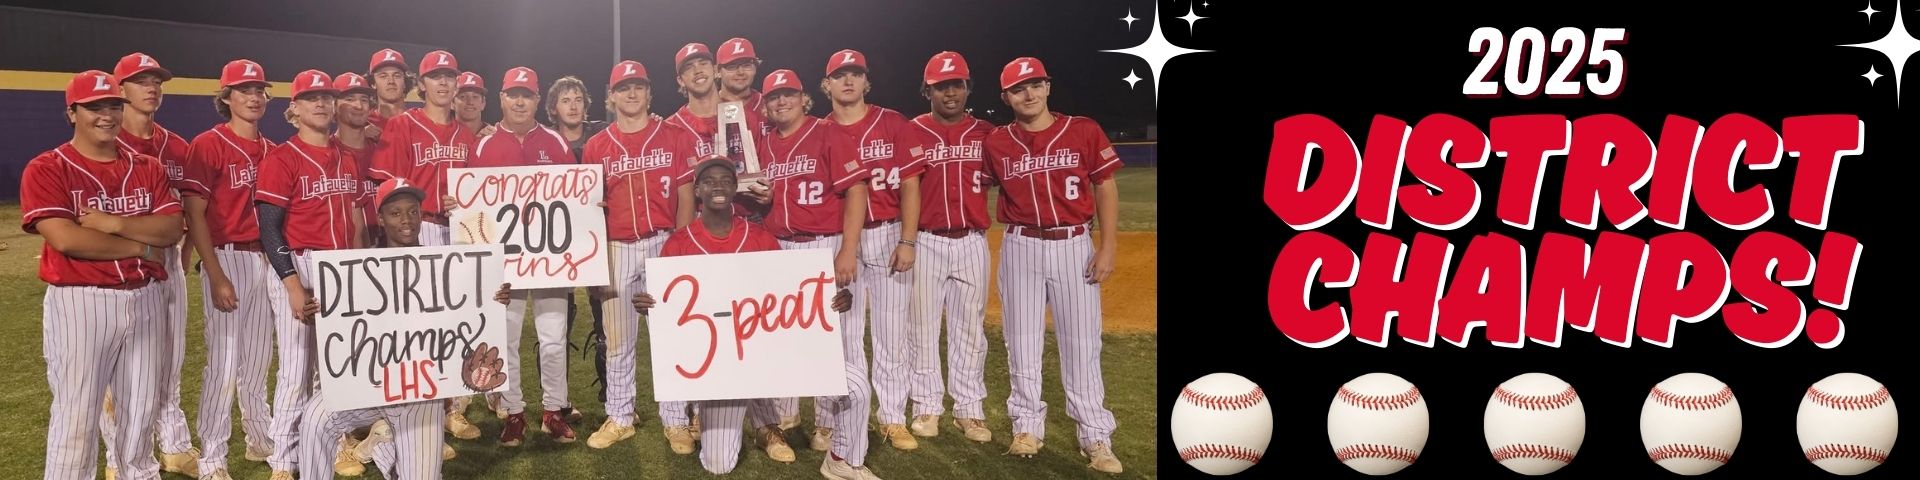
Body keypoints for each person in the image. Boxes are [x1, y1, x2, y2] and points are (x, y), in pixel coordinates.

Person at [632, 156, 851, 474]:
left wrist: (831, 299)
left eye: (725, 180)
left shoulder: (760, 237)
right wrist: (650, 306)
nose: (718, 186)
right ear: (697, 190)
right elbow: (671, 314)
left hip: (753, 351)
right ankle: (704, 414)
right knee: (718, 464)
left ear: (736, 188)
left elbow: (789, 293)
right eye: (709, 181)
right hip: (711, 361)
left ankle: (767, 426)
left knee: (753, 349)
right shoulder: (678, 243)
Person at [22, 69, 184, 480]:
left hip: (146, 297)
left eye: (113, 105)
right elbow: (66, 239)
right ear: (72, 112)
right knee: (77, 416)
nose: (107, 115)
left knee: (140, 412)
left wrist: (113, 224)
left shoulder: (147, 166)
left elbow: (171, 229)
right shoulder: (48, 167)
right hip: (82, 301)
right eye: (95, 107)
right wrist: (141, 246)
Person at [984, 57, 1124, 473]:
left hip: (1073, 245)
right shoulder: (997, 142)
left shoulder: (1083, 129)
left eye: (1035, 84)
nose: (1028, 94)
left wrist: (1108, 246)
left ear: (1048, 86)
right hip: (1020, 246)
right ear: (1006, 97)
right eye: (1018, 88)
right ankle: (1026, 426)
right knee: (1021, 341)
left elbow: (1105, 185)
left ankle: (1095, 434)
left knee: (1082, 343)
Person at [296, 178, 484, 480]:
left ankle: (383, 446)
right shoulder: (357, 268)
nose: (406, 220)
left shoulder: (443, 266)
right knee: (315, 418)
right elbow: (343, 325)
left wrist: (493, 297)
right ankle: (382, 442)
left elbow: (472, 314)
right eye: (395, 213)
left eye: (413, 211)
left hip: (420, 393)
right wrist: (318, 314)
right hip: (368, 386)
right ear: (381, 219)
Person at [746, 68, 878, 479]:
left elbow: (856, 190)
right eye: (774, 96)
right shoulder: (764, 143)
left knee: (839, 340)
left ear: (803, 97)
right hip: (780, 246)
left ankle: (830, 424)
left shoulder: (828, 132)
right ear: (766, 105)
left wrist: (848, 249)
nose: (781, 101)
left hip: (824, 244)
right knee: (782, 336)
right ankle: (785, 418)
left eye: (789, 93)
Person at [578, 59, 698, 451]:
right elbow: (589, 210)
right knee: (617, 342)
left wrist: (679, 246)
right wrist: (594, 263)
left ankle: (676, 420)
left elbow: (685, 196)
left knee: (672, 337)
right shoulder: (597, 146)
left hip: (663, 241)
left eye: (638, 86)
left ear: (648, 92)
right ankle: (619, 416)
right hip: (616, 247)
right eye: (623, 87)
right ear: (611, 97)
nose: (631, 93)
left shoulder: (674, 136)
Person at [255, 69, 363, 480]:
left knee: (334, 366)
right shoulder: (281, 158)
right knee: (296, 369)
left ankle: (334, 444)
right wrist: (292, 284)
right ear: (294, 109)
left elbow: (355, 219)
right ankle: (283, 458)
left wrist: (358, 268)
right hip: (298, 262)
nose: (321, 103)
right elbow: (269, 229)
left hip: (340, 266)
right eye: (311, 97)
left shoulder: (346, 157)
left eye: (327, 97)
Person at [97, 52, 200, 479]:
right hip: (120, 265)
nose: (151, 88)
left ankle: (173, 445)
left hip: (169, 260)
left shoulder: (176, 145)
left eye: (156, 81)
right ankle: (117, 458)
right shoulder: (105, 143)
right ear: (120, 90)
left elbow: (191, 208)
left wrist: (186, 252)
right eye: (141, 81)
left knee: (170, 359)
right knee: (119, 369)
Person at [819, 48, 926, 451]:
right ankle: (841, 417)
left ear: (866, 81)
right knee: (843, 334)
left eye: (855, 73)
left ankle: (893, 417)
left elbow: (911, 184)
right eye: (839, 75)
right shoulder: (819, 130)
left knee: (891, 332)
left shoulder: (893, 123)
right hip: (840, 238)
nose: (848, 80)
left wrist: (907, 240)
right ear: (826, 85)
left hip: (886, 232)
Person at [468, 66, 581, 445]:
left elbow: (576, 196)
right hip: (504, 261)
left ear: (537, 99)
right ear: (502, 98)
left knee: (554, 338)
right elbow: (473, 205)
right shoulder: (484, 146)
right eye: (513, 94)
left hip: (550, 258)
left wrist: (591, 205)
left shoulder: (555, 142)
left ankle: (553, 410)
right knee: (506, 338)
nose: (519, 102)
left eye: (527, 95)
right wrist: (459, 203)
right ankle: (513, 412)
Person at [179, 58, 279, 480]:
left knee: (257, 359)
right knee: (222, 363)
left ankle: (259, 438)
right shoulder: (209, 144)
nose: (254, 97)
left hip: (266, 258)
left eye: (259, 90)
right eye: (244, 90)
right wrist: (215, 272)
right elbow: (194, 212)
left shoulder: (273, 149)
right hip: (228, 255)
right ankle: (213, 455)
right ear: (226, 98)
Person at [903, 51, 995, 444]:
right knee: (922, 326)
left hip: (972, 241)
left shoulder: (986, 133)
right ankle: (926, 404)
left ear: (967, 88)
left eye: (956, 84)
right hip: (925, 240)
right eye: (941, 86)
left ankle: (969, 409)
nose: (950, 93)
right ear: (928, 91)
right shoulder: (911, 131)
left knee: (970, 328)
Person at [543, 75, 614, 406]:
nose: (572, 106)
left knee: (604, 317)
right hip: (558, 239)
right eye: (565, 100)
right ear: (553, 107)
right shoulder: (544, 140)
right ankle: (559, 400)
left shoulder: (604, 134)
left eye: (577, 99)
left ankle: (611, 391)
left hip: (599, 232)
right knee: (559, 320)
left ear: (586, 104)